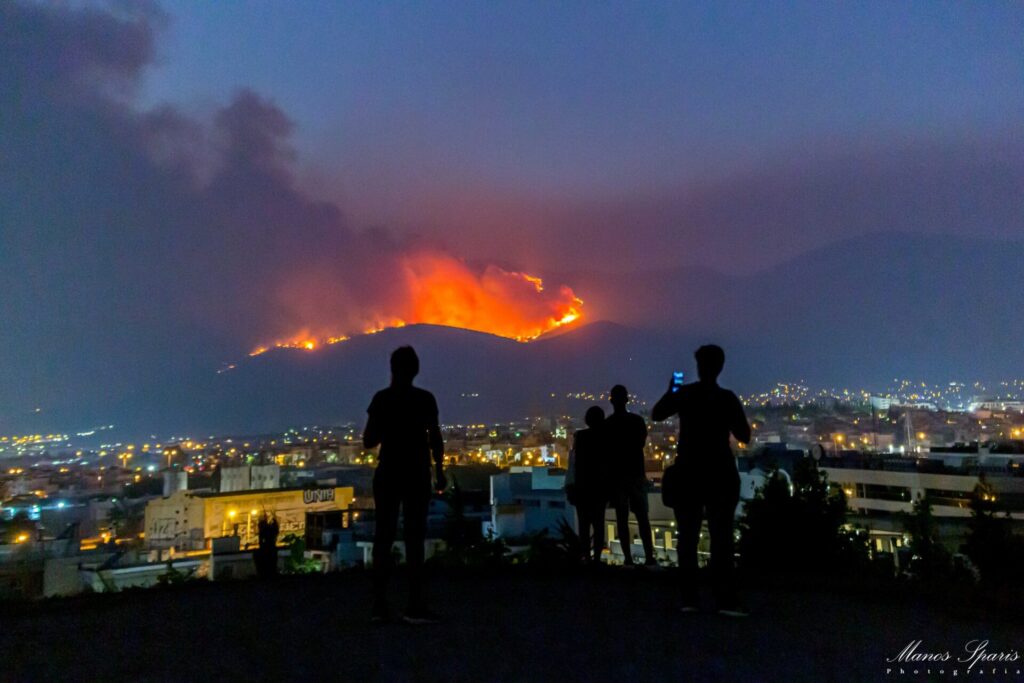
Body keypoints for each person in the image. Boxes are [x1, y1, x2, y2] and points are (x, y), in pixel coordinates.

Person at [652, 344, 751, 617]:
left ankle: (690, 599)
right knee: (722, 538)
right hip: (720, 472)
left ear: (699, 366)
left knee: (688, 538)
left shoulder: (685, 394)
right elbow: (744, 435)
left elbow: (657, 413)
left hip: (689, 472)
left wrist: (672, 390)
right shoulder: (727, 398)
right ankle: (725, 600)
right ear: (720, 367)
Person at [363, 345, 447, 624]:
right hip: (417, 474)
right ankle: (414, 603)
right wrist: (440, 470)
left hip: (388, 473)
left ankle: (378, 604)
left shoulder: (382, 399)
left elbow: (368, 440)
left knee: (383, 537)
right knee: (415, 538)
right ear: (415, 370)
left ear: (392, 369)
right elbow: (435, 438)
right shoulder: (425, 399)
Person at [605, 385, 656, 566]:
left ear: (611, 401)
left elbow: (607, 452)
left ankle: (628, 558)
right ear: (627, 400)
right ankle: (649, 556)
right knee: (642, 518)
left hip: (618, 478)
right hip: (635, 474)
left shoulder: (608, 424)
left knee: (622, 518)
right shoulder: (636, 421)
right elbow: (640, 443)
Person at [567, 406, 609, 563]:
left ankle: (587, 558)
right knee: (599, 524)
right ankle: (597, 558)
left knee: (584, 525)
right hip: (599, 487)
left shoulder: (581, 436)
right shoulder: (606, 437)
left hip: (582, 487)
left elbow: (574, 463)